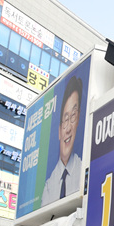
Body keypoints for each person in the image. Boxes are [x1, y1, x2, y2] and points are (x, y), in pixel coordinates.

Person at [41, 76, 83, 206]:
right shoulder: (48, 186)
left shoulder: (84, 173)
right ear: (59, 130)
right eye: (65, 119)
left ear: (78, 120)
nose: (68, 128)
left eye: (73, 116)